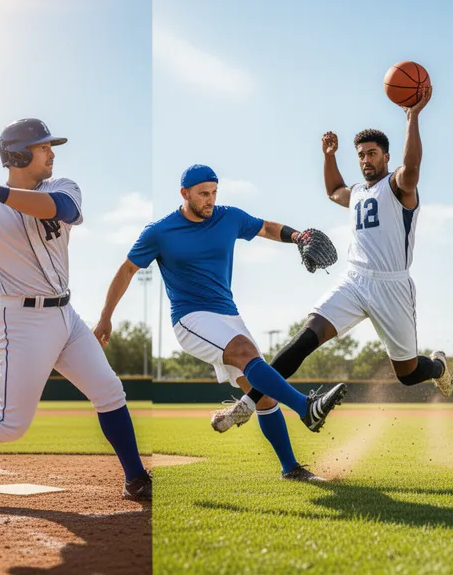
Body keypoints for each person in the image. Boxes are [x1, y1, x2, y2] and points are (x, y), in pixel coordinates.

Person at [0, 119, 150, 500]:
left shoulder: (60, 187)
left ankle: (136, 478)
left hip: (66, 315)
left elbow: (60, 210)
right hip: (22, 320)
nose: (51, 152)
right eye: (43, 147)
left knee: (109, 391)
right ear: (18, 154)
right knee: (10, 425)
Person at [211, 85, 453, 433]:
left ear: (386, 157)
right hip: (354, 280)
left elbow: (412, 166)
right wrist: (329, 154)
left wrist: (413, 117)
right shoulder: (356, 192)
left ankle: (439, 367)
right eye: (361, 155)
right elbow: (333, 191)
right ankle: (247, 404)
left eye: (372, 153)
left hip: (392, 285)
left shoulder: (399, 186)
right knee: (306, 336)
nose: (366, 160)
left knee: (410, 374)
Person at [96, 164, 346, 481]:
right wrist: (105, 317)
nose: (210, 200)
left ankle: (290, 468)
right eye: (203, 194)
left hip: (229, 315)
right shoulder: (160, 231)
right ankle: (305, 408)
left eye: (214, 192)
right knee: (245, 351)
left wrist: (297, 236)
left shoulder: (229, 217)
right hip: (190, 317)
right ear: (184, 193)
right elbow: (127, 269)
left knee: (264, 393)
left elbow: (266, 228)